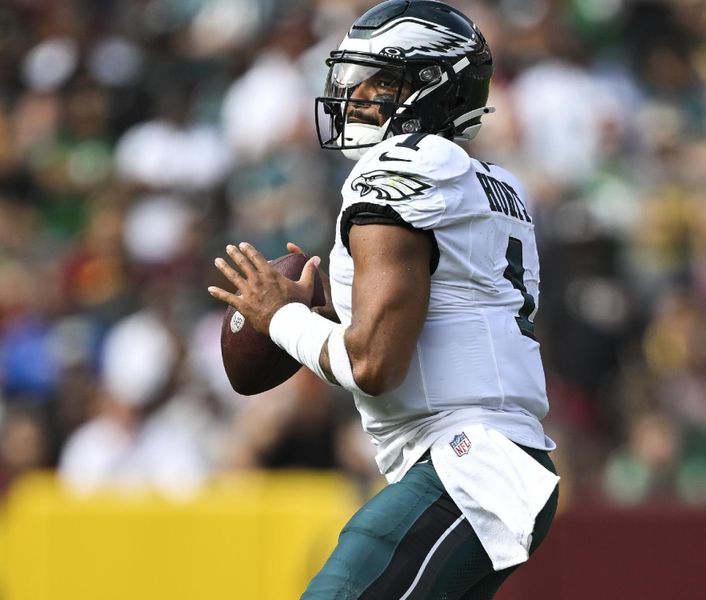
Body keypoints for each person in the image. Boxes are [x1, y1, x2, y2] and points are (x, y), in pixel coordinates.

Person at [208, 1, 560, 597]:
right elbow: (436, 315)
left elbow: (374, 363)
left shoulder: (400, 169)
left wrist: (282, 318)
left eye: (382, 80)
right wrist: (331, 313)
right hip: (490, 458)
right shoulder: (495, 182)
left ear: (432, 87)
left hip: (465, 464)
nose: (358, 95)